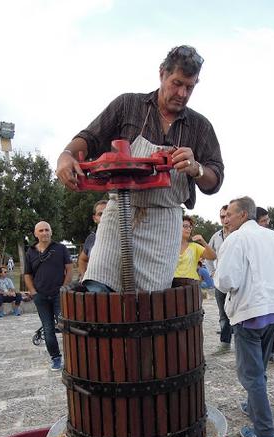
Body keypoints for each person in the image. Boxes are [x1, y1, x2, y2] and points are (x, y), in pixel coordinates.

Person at [56, 45, 224, 293]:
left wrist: (196, 168)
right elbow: (89, 138)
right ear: (162, 74)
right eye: (177, 83)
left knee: (150, 303)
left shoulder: (200, 126)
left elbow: (215, 179)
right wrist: (67, 154)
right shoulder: (128, 106)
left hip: (163, 222)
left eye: (190, 86)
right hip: (119, 215)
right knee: (98, 289)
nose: (182, 92)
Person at [215, 197, 274, 437]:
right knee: (259, 367)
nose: (226, 219)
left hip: (250, 313)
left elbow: (226, 280)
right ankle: (253, 405)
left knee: (251, 375)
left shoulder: (236, 239)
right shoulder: (273, 236)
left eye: (229, 214)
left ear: (243, 215)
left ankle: (264, 432)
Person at [24, 221, 73, 370]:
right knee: (48, 329)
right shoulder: (30, 252)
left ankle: (73, 356)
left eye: (47, 230)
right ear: (35, 234)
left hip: (59, 295)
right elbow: (27, 275)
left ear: (51, 232)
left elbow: (69, 270)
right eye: (41, 230)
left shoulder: (61, 248)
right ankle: (56, 358)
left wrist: (63, 288)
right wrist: (33, 292)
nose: (44, 233)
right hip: (41, 296)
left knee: (64, 325)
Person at [256, 207, 274, 366]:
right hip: (259, 287)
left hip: (273, 285)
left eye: (268, 220)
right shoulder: (248, 238)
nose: (267, 223)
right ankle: (259, 352)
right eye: (263, 220)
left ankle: (273, 352)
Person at [207, 205, 232, 347]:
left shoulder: (240, 234)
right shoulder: (216, 237)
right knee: (223, 312)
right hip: (220, 281)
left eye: (228, 216)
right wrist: (212, 272)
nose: (225, 219)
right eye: (222, 216)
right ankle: (225, 342)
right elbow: (208, 256)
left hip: (237, 281)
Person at [173, 215, 216, 284]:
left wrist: (203, 241)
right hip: (173, 285)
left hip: (191, 286)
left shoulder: (195, 247)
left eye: (190, 227)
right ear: (176, 226)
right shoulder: (170, 247)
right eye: (185, 226)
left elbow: (213, 256)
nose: (189, 229)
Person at [78, 199, 108, 280]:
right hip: (96, 288)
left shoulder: (123, 237)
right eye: (100, 214)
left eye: (107, 213)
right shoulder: (91, 238)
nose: (104, 217)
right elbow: (82, 259)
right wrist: (84, 276)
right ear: (95, 218)